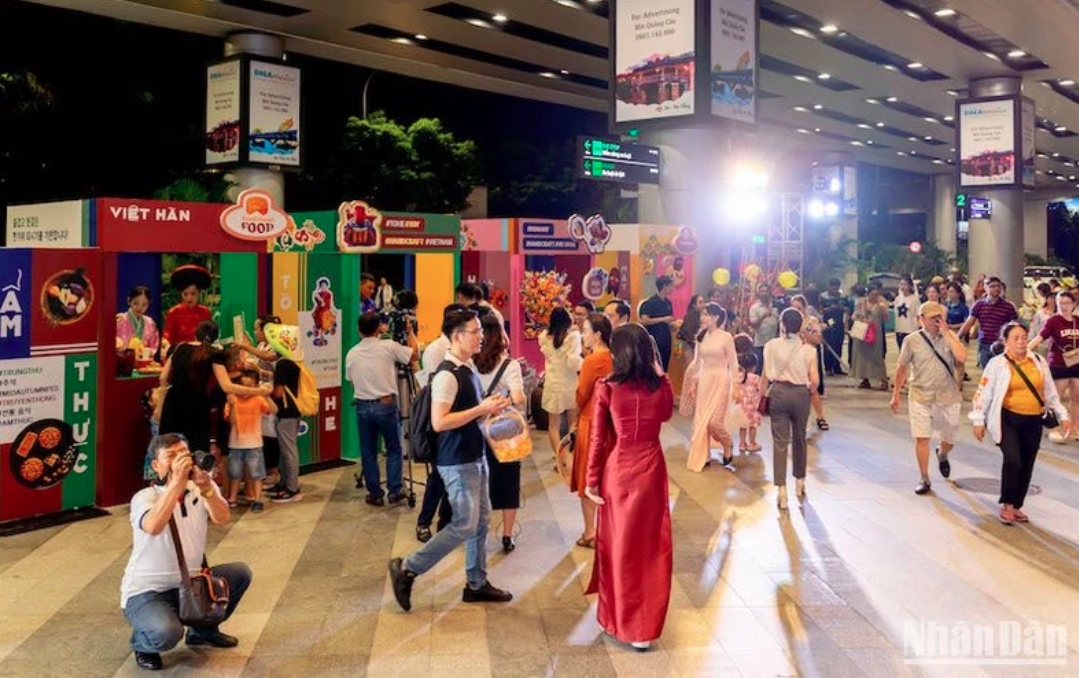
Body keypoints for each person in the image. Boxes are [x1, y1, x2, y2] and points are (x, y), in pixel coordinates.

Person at [388, 308, 513, 611]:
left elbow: (473, 412)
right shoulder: (447, 375)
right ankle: (408, 567)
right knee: (464, 524)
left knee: (481, 521)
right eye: (476, 331)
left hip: (475, 455)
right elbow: (440, 421)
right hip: (456, 461)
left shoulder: (467, 367)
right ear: (458, 336)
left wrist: (491, 411)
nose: (482, 336)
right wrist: (481, 409)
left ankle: (476, 582)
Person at [120, 434, 251, 672]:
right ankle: (143, 644)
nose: (180, 461)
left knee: (239, 574)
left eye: (183, 454)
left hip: (189, 584)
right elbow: (153, 525)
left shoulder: (200, 489)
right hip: (148, 591)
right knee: (166, 633)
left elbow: (222, 518)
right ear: (156, 466)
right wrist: (176, 484)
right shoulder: (145, 497)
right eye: (171, 456)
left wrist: (207, 489)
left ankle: (202, 631)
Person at [584, 324, 674, 652]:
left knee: (617, 547)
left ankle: (618, 619)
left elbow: (597, 440)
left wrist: (591, 480)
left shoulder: (606, 386)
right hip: (652, 471)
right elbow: (665, 414)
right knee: (651, 548)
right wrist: (660, 374)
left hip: (618, 471)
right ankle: (643, 628)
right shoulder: (661, 387)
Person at [971, 322, 1071, 524]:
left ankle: (1017, 505)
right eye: (1015, 338)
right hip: (1008, 419)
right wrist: (978, 420)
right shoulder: (997, 364)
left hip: (1033, 420)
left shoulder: (1038, 361)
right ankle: (1007, 504)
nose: (1021, 342)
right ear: (1005, 341)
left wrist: (1063, 415)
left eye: (1024, 337)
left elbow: (1050, 392)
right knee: (1013, 460)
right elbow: (983, 394)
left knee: (1027, 463)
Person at [158, 321, 269, 457]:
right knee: (195, 454)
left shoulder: (179, 347)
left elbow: (163, 378)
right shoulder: (214, 354)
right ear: (215, 337)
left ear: (196, 333)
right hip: (196, 407)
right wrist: (259, 391)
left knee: (170, 452)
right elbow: (227, 386)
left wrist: (161, 404)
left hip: (172, 404)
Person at [890, 302, 968, 495]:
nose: (936, 321)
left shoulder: (949, 338)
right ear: (921, 319)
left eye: (939, 317)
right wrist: (896, 394)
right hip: (920, 395)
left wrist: (948, 333)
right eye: (932, 317)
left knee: (949, 438)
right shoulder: (912, 340)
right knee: (922, 438)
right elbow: (902, 368)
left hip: (947, 395)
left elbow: (963, 357)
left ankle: (942, 453)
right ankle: (924, 477)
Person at [346, 311, 419, 506]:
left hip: (362, 406)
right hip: (386, 404)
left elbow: (351, 382)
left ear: (358, 330)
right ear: (379, 327)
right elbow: (414, 355)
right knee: (394, 448)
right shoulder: (389, 347)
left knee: (368, 451)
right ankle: (395, 490)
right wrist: (410, 332)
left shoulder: (352, 353)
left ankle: (375, 493)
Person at [414, 304, 468, 541]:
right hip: (441, 425)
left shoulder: (465, 354)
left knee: (454, 478)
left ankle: (446, 523)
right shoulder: (437, 351)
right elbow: (428, 389)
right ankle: (424, 522)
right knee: (438, 478)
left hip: (459, 426)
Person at [475, 314, 526, 551]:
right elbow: (518, 398)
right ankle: (507, 535)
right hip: (502, 432)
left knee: (476, 482)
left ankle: (477, 533)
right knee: (508, 481)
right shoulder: (510, 365)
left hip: (474, 430)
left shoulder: (468, 363)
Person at [763, 309, 819, 510]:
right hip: (800, 394)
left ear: (783, 324)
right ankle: (800, 481)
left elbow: (765, 375)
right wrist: (808, 391)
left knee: (780, 442)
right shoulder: (809, 350)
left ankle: (781, 489)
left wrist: (761, 398)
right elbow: (814, 380)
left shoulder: (770, 346)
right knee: (799, 438)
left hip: (778, 391)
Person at [572, 312, 614, 550]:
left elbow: (581, 395)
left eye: (586, 330)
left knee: (588, 479)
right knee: (605, 477)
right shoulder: (615, 358)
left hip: (591, 420)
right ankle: (605, 528)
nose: (583, 335)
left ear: (597, 335)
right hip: (610, 424)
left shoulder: (592, 361)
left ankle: (590, 531)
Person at [686, 304, 738, 471]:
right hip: (705, 381)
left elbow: (733, 363)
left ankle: (727, 443)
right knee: (701, 420)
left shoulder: (726, 337)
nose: (703, 318)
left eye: (707, 315)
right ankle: (704, 454)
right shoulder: (701, 337)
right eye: (702, 315)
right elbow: (698, 362)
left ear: (716, 317)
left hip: (721, 379)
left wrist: (736, 385)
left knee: (714, 420)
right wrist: (693, 383)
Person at [1027, 290, 1079, 440]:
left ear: (1074, 304)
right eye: (1060, 303)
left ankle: (1075, 428)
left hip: (1076, 363)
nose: (1064, 306)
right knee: (1056, 397)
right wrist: (1025, 350)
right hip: (1058, 363)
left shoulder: (1077, 320)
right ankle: (1054, 427)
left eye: (1067, 303)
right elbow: (1040, 337)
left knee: (1076, 397)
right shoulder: (1053, 321)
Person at [224, 369, 277, 512]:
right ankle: (232, 498)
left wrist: (265, 395)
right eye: (243, 386)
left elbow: (274, 409)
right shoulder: (232, 400)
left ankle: (258, 499)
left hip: (255, 443)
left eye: (250, 387)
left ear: (255, 386)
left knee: (256, 474)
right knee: (234, 473)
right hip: (235, 443)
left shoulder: (258, 399)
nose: (246, 390)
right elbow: (232, 421)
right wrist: (233, 404)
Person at [539, 308, 583, 458]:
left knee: (553, 425)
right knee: (573, 422)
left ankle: (559, 458)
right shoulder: (573, 337)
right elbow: (574, 363)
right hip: (570, 384)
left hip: (552, 385)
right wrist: (587, 364)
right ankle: (571, 456)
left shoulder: (544, 337)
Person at [960, 276, 1018, 368]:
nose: (996, 288)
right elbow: (969, 322)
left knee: (1001, 371)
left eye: (998, 286)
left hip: (1001, 345)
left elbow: (1014, 325)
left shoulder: (1008, 306)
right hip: (984, 344)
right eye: (993, 286)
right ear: (986, 288)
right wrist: (958, 337)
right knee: (986, 372)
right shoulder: (979, 305)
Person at [162, 265, 213, 353]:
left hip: (200, 354)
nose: (189, 298)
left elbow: (209, 337)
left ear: (199, 293)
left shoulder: (205, 312)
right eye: (185, 294)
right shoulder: (174, 312)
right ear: (181, 294)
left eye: (193, 294)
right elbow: (166, 337)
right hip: (179, 354)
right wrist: (166, 345)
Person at [851, 285, 889, 390]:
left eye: (876, 295)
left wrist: (883, 309)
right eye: (872, 294)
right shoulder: (861, 303)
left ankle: (883, 379)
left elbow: (886, 319)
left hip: (876, 332)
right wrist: (860, 317)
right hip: (863, 331)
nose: (874, 297)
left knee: (877, 356)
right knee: (862, 356)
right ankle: (865, 379)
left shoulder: (881, 303)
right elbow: (853, 316)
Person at [639, 276, 677, 371]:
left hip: (666, 338)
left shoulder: (668, 303)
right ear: (664, 286)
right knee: (655, 366)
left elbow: (669, 320)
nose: (673, 288)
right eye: (671, 286)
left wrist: (672, 325)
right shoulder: (650, 302)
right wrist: (663, 319)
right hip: (654, 339)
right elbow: (644, 320)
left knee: (665, 366)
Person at [116, 285, 161, 359]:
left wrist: (147, 352)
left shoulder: (150, 323)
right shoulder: (119, 320)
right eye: (136, 303)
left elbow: (154, 346)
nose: (140, 307)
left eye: (144, 304)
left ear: (149, 304)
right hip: (122, 361)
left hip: (143, 361)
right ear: (129, 301)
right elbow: (109, 338)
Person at [820, 278, 852, 376]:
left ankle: (837, 367)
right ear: (829, 286)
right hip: (828, 324)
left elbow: (848, 309)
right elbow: (820, 310)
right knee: (828, 346)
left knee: (838, 345)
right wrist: (830, 308)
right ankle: (828, 368)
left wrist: (842, 308)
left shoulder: (843, 297)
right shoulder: (823, 296)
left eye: (836, 287)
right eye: (832, 287)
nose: (834, 289)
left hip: (839, 323)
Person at [734, 352, 763, 452]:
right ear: (754, 366)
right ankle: (752, 443)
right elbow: (761, 390)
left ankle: (742, 443)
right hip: (752, 408)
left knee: (743, 426)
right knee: (752, 426)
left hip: (741, 407)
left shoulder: (739, 377)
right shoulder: (756, 378)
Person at [749, 284, 780, 375]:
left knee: (773, 369)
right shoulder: (755, 308)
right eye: (762, 291)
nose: (764, 293)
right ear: (759, 293)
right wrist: (763, 317)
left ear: (769, 292)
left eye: (766, 291)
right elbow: (753, 325)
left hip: (774, 343)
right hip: (760, 343)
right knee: (760, 369)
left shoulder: (775, 306)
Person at [893, 276, 921, 350]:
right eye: (901, 284)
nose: (903, 287)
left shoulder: (915, 300)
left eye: (905, 284)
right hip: (899, 329)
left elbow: (918, 315)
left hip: (911, 330)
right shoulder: (897, 299)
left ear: (910, 286)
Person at [677, 294, 705, 365]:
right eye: (700, 302)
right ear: (694, 305)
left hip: (694, 344)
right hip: (689, 345)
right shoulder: (691, 315)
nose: (703, 305)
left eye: (703, 302)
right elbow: (689, 333)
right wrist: (695, 345)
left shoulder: (700, 315)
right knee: (690, 367)